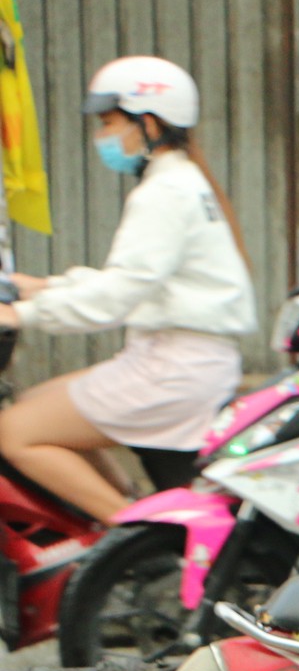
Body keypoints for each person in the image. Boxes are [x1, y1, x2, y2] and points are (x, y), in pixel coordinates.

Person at [0, 57, 253, 521]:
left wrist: (25, 315)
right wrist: (44, 287)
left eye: (110, 123)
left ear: (149, 122)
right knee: (35, 406)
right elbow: (139, 280)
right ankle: (126, 514)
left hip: (171, 369)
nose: (103, 137)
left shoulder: (163, 193)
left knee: (12, 433)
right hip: (177, 359)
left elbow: (121, 294)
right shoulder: (181, 181)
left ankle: (135, 532)